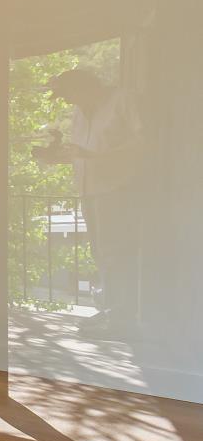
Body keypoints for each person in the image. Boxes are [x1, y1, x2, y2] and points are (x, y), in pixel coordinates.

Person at [35, 69, 142, 337]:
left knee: (116, 253)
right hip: (90, 191)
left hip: (117, 189)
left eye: (68, 94)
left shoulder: (122, 100)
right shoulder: (80, 113)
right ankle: (111, 311)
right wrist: (56, 157)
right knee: (101, 253)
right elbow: (82, 154)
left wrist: (96, 156)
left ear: (84, 87)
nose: (67, 100)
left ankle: (123, 319)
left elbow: (143, 142)